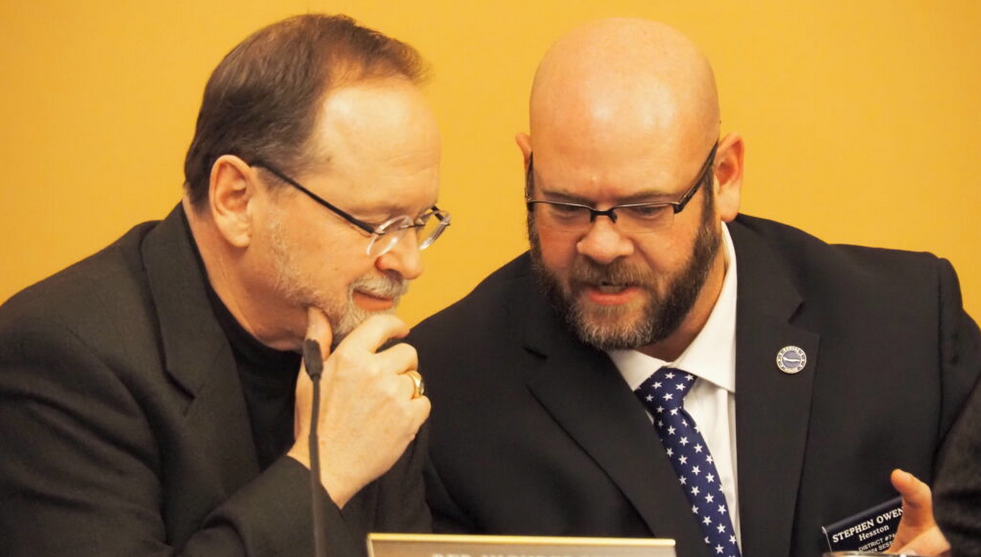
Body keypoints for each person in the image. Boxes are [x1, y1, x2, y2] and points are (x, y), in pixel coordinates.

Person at [408, 17, 980, 557]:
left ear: (724, 177)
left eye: (646, 208)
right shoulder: (448, 393)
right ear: (529, 169)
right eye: (565, 206)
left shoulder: (908, 325)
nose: (602, 245)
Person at [0, 14, 448, 557]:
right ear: (236, 199)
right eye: (375, 223)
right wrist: (323, 470)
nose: (406, 261)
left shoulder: (367, 353)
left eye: (418, 222)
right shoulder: (64, 356)